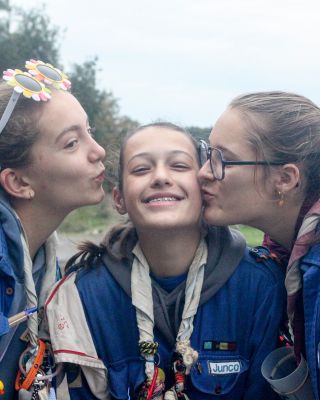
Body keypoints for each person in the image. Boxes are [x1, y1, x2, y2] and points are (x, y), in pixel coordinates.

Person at [44, 122, 286, 399]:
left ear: (205, 187)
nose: (160, 177)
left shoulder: (259, 285)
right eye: (141, 169)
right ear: (119, 199)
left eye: (179, 166)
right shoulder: (83, 294)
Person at [198, 91, 320, 400]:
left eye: (222, 159)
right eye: (207, 153)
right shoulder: (282, 263)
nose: (203, 173)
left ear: (285, 178)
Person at [0, 60, 106, 398]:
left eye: (89, 131)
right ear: (19, 182)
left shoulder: (42, 260)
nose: (99, 151)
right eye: (72, 143)